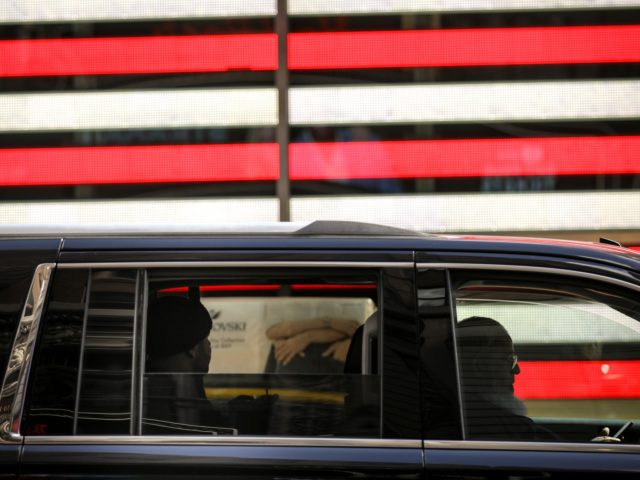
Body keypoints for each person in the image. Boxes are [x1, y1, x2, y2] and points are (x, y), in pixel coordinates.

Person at [145, 295, 228, 433]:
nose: (209, 345)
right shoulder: (173, 396)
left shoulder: (151, 388)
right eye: (206, 339)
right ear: (192, 349)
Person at [456, 316, 536, 440]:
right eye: (508, 359)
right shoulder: (516, 431)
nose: (517, 370)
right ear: (480, 366)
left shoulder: (456, 419)